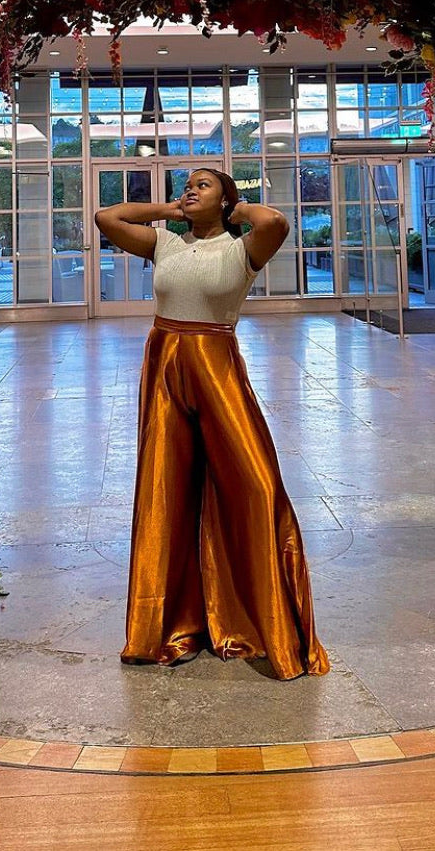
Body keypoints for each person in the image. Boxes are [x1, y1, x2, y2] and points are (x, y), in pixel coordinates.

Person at [95, 167, 330, 679]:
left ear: (225, 200)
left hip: (216, 362)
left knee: (256, 482)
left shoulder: (241, 249)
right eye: (188, 183)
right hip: (165, 365)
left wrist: (235, 210)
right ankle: (162, 625)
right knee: (165, 489)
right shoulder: (165, 244)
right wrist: (169, 211)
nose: (190, 188)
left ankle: (262, 615)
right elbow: (106, 216)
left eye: (203, 184)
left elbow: (274, 221)